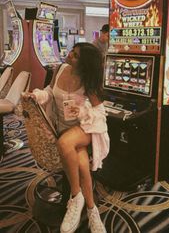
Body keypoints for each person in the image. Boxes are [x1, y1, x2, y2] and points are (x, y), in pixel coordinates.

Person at [23, 42, 109, 233]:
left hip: (84, 127)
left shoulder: (89, 80)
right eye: (72, 51)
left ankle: (76, 196)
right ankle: (92, 209)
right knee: (81, 161)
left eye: (76, 55)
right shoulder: (60, 69)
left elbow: (100, 112)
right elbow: (49, 92)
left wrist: (81, 111)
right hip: (61, 128)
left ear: (84, 63)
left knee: (65, 143)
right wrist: (37, 96)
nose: (70, 55)